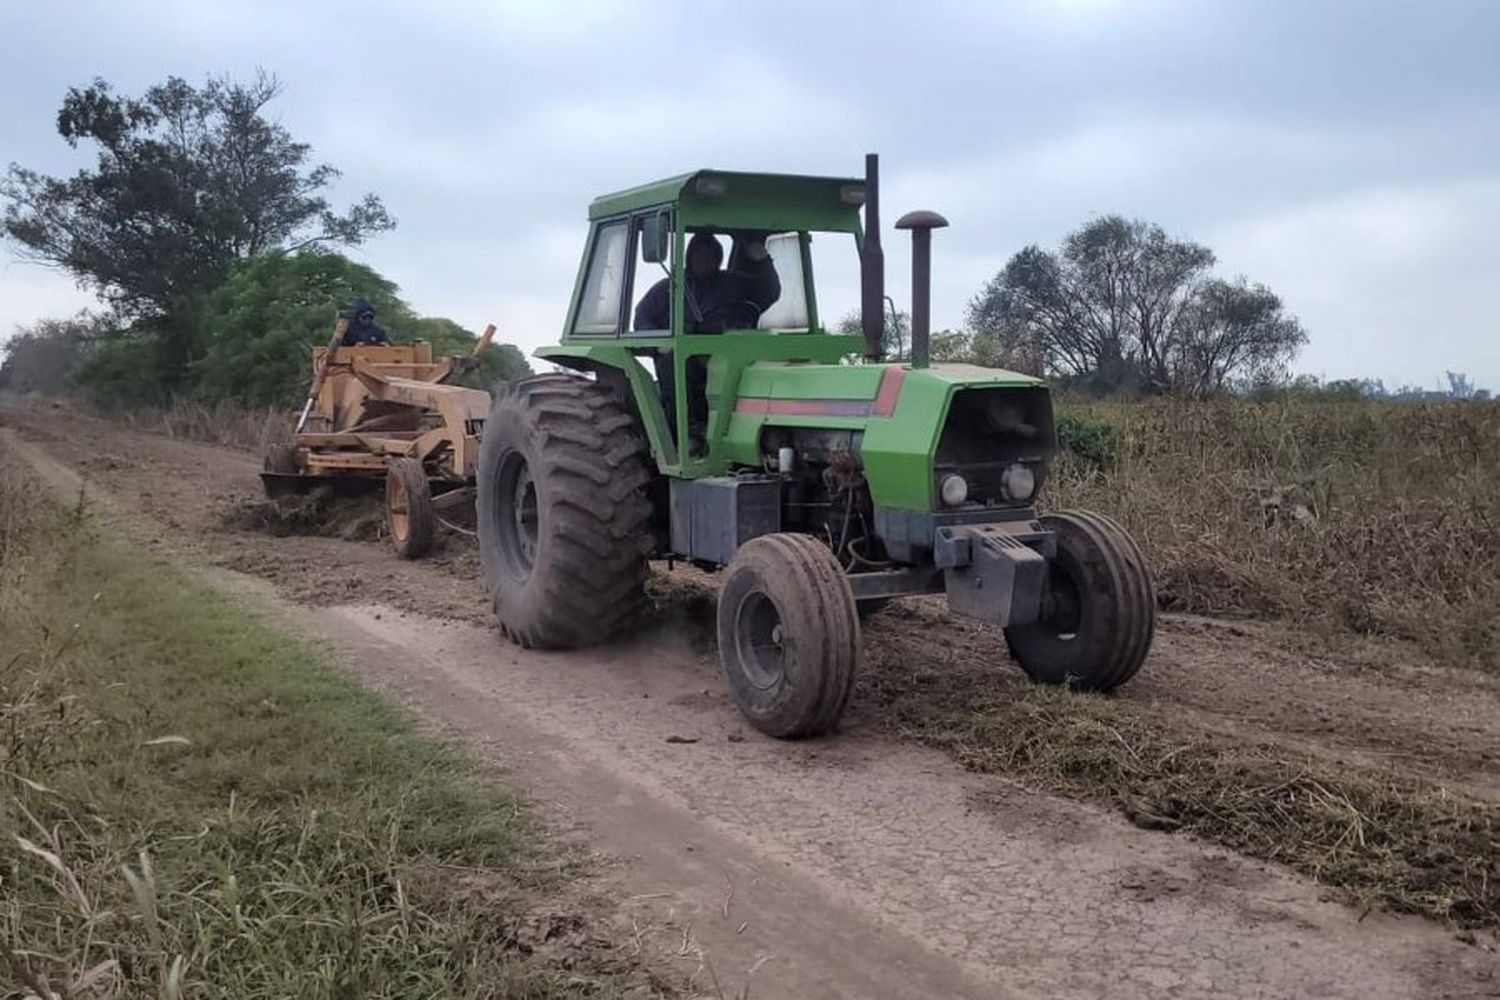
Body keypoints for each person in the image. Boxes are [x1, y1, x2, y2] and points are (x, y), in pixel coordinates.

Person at [634, 231, 780, 452]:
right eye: (699, 255)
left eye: (709, 255)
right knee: (671, 362)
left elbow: (768, 292)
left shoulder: (733, 284)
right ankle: (690, 433)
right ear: (689, 257)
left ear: (718, 258)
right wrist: (659, 341)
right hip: (684, 358)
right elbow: (642, 317)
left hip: (725, 356)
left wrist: (761, 260)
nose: (704, 260)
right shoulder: (668, 288)